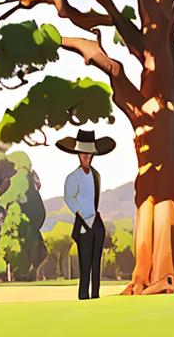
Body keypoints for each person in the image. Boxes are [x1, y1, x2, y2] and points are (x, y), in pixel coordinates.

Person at [58, 128, 115, 300]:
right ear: (78, 154)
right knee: (85, 266)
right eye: (83, 154)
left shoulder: (96, 175)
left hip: (96, 224)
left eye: (89, 154)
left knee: (96, 263)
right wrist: (82, 215)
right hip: (83, 226)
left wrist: (95, 219)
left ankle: (95, 295)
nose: (86, 157)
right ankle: (83, 295)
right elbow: (69, 198)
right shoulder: (72, 177)